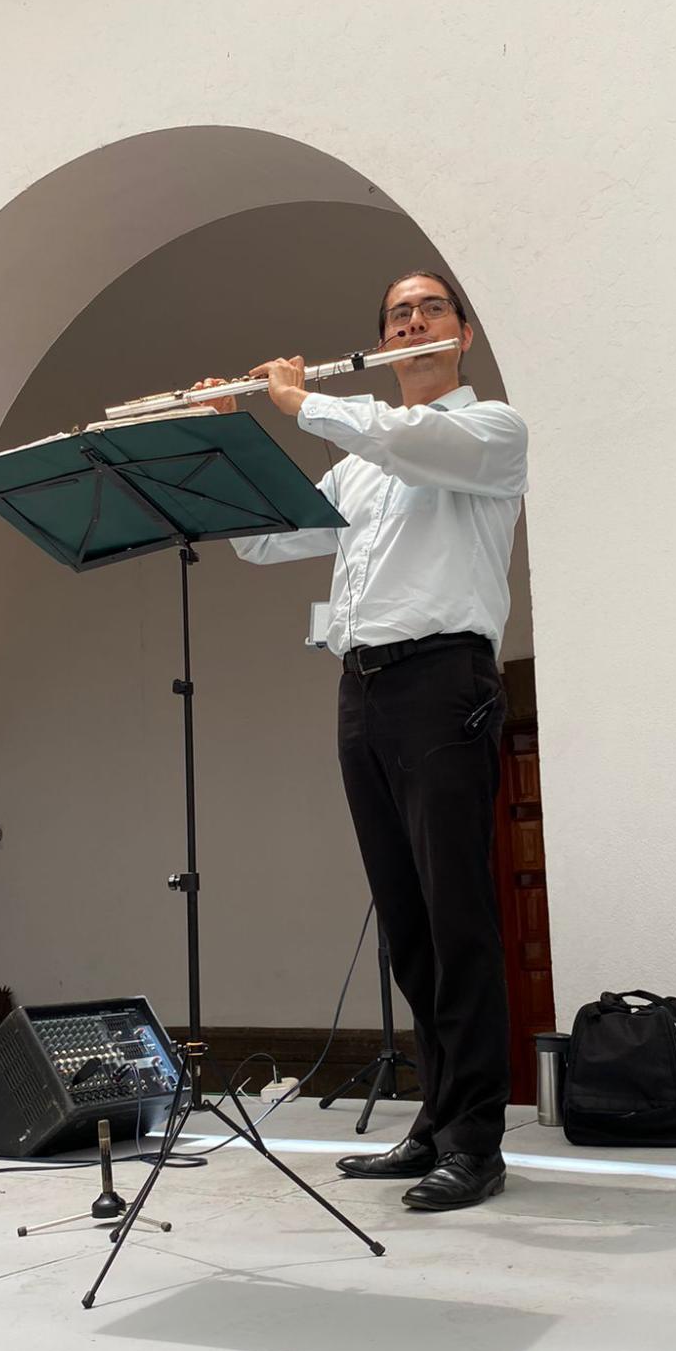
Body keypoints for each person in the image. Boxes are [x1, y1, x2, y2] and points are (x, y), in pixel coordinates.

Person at [198, 272, 527, 1211]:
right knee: (408, 924)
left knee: (458, 919)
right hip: (365, 687)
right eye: (395, 315)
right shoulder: (360, 456)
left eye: (429, 311)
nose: (411, 323)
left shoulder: (490, 432)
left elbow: (407, 438)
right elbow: (268, 541)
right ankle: (435, 1119)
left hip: (443, 686)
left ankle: (477, 1139)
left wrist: (307, 403)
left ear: (462, 334)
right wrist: (228, 435)